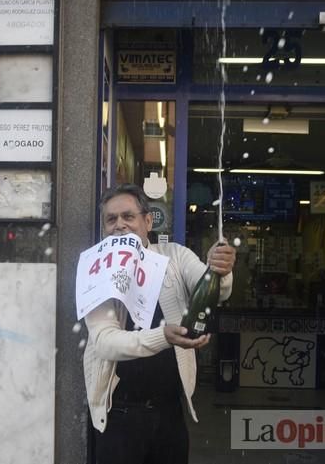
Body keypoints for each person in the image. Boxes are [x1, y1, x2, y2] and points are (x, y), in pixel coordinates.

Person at [83, 184, 236, 464]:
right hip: (118, 416)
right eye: (111, 219)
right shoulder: (96, 268)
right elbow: (105, 343)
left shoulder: (175, 256)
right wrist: (163, 336)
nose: (120, 225)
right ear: (104, 227)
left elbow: (213, 288)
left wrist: (221, 271)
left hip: (169, 413)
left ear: (148, 221)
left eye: (128, 216)